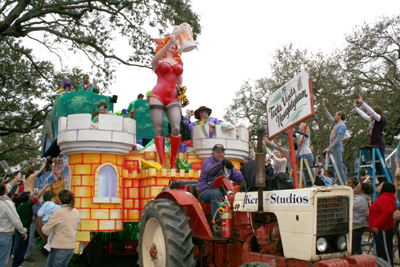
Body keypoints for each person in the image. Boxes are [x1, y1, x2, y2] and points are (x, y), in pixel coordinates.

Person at [148, 35, 184, 169]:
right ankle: (163, 162)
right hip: (158, 94)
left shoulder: (179, 63)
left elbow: (180, 84)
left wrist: (182, 99)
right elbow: (154, 59)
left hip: (173, 97)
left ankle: (173, 161)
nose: (174, 45)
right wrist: (169, 43)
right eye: (169, 43)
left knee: (176, 127)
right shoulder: (158, 60)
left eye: (175, 44)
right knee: (159, 129)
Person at [196, 144, 244, 236]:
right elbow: (211, 171)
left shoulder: (226, 164)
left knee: (235, 195)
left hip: (222, 190)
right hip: (205, 191)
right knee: (217, 194)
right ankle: (217, 223)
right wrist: (222, 163)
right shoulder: (208, 162)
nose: (220, 154)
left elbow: (237, 175)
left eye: (222, 152)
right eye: (218, 152)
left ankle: (236, 222)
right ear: (213, 153)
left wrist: (245, 179)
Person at [354, 95, 389, 183]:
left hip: (379, 146)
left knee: (382, 165)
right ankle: (381, 182)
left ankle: (387, 182)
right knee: (377, 167)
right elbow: (364, 115)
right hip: (373, 146)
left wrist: (363, 103)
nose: (369, 114)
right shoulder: (372, 121)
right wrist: (356, 108)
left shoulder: (380, 119)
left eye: (371, 112)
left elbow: (372, 113)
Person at [12, 184, 49, 267]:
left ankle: (16, 260)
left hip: (18, 228)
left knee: (18, 245)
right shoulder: (28, 205)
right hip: (25, 229)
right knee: (22, 247)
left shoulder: (18, 207)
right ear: (28, 198)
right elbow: (38, 195)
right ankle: (17, 263)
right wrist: (44, 187)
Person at [42, 190, 80, 267]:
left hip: (58, 246)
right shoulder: (76, 211)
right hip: (71, 246)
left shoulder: (58, 213)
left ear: (59, 199)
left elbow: (45, 230)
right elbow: (77, 225)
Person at [368, 182, 397, 266]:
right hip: (382, 228)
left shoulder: (384, 198)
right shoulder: (386, 197)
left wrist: (377, 224)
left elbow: (387, 212)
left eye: (381, 185)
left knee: (385, 252)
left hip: (382, 229)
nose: (378, 186)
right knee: (383, 251)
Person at [0, 183, 27, 267]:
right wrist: (23, 232)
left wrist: (14, 180)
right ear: (6, 190)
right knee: (2, 261)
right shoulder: (7, 203)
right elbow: (15, 220)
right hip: (5, 235)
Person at [322, 100, 347, 185]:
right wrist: (324, 108)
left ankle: (342, 184)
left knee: (339, 168)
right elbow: (329, 118)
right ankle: (332, 182)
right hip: (333, 148)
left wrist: (330, 147)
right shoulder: (336, 124)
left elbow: (338, 139)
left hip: (336, 148)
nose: (334, 117)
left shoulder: (341, 125)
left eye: (335, 115)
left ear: (340, 116)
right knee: (331, 167)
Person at [352, 182, 373, 255]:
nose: (355, 189)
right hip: (358, 225)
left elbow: (348, 206)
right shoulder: (361, 198)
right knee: (356, 246)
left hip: (356, 226)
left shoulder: (359, 200)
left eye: (357, 188)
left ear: (362, 191)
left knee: (355, 247)